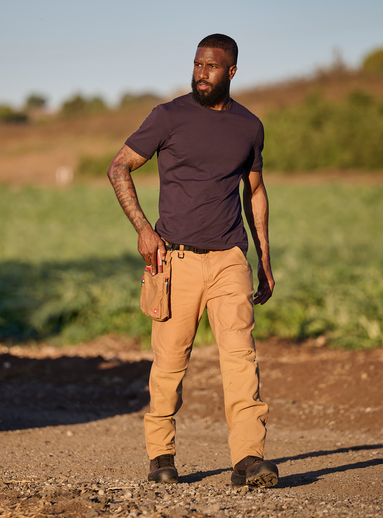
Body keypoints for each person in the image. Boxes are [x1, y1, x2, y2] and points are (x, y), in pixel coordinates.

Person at [106, 33, 278, 488]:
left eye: (211, 67)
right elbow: (119, 166)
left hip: (229, 259)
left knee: (241, 359)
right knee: (169, 365)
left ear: (232, 71)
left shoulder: (249, 126)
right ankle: (161, 457)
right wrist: (143, 227)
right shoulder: (168, 116)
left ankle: (248, 459)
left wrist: (263, 259)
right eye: (197, 64)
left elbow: (255, 192)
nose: (201, 73)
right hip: (175, 260)